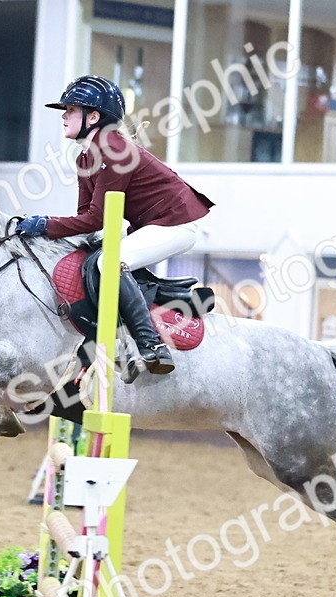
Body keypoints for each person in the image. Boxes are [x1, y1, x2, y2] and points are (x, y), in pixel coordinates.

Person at [15, 75, 214, 377]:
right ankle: (177, 299)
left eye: (71, 109)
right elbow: (86, 217)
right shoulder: (85, 158)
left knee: (109, 262)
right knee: (93, 256)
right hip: (152, 224)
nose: (64, 116)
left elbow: (95, 218)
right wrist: (54, 231)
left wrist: (46, 225)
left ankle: (151, 345)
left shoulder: (113, 149)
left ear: (93, 117)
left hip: (177, 224)